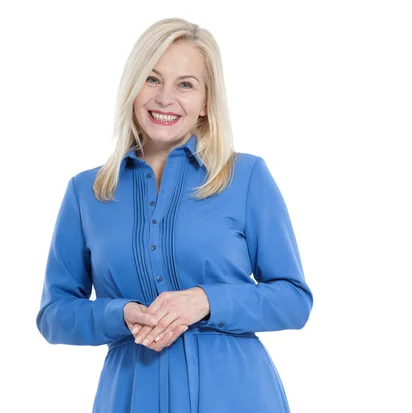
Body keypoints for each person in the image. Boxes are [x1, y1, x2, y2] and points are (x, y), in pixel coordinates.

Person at [35, 17, 313, 413]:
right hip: (131, 396)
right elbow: (54, 314)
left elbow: (294, 300)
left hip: (237, 395)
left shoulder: (246, 176)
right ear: (132, 88)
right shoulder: (87, 191)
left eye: (185, 84)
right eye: (152, 79)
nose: (165, 98)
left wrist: (206, 300)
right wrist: (119, 314)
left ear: (204, 103)